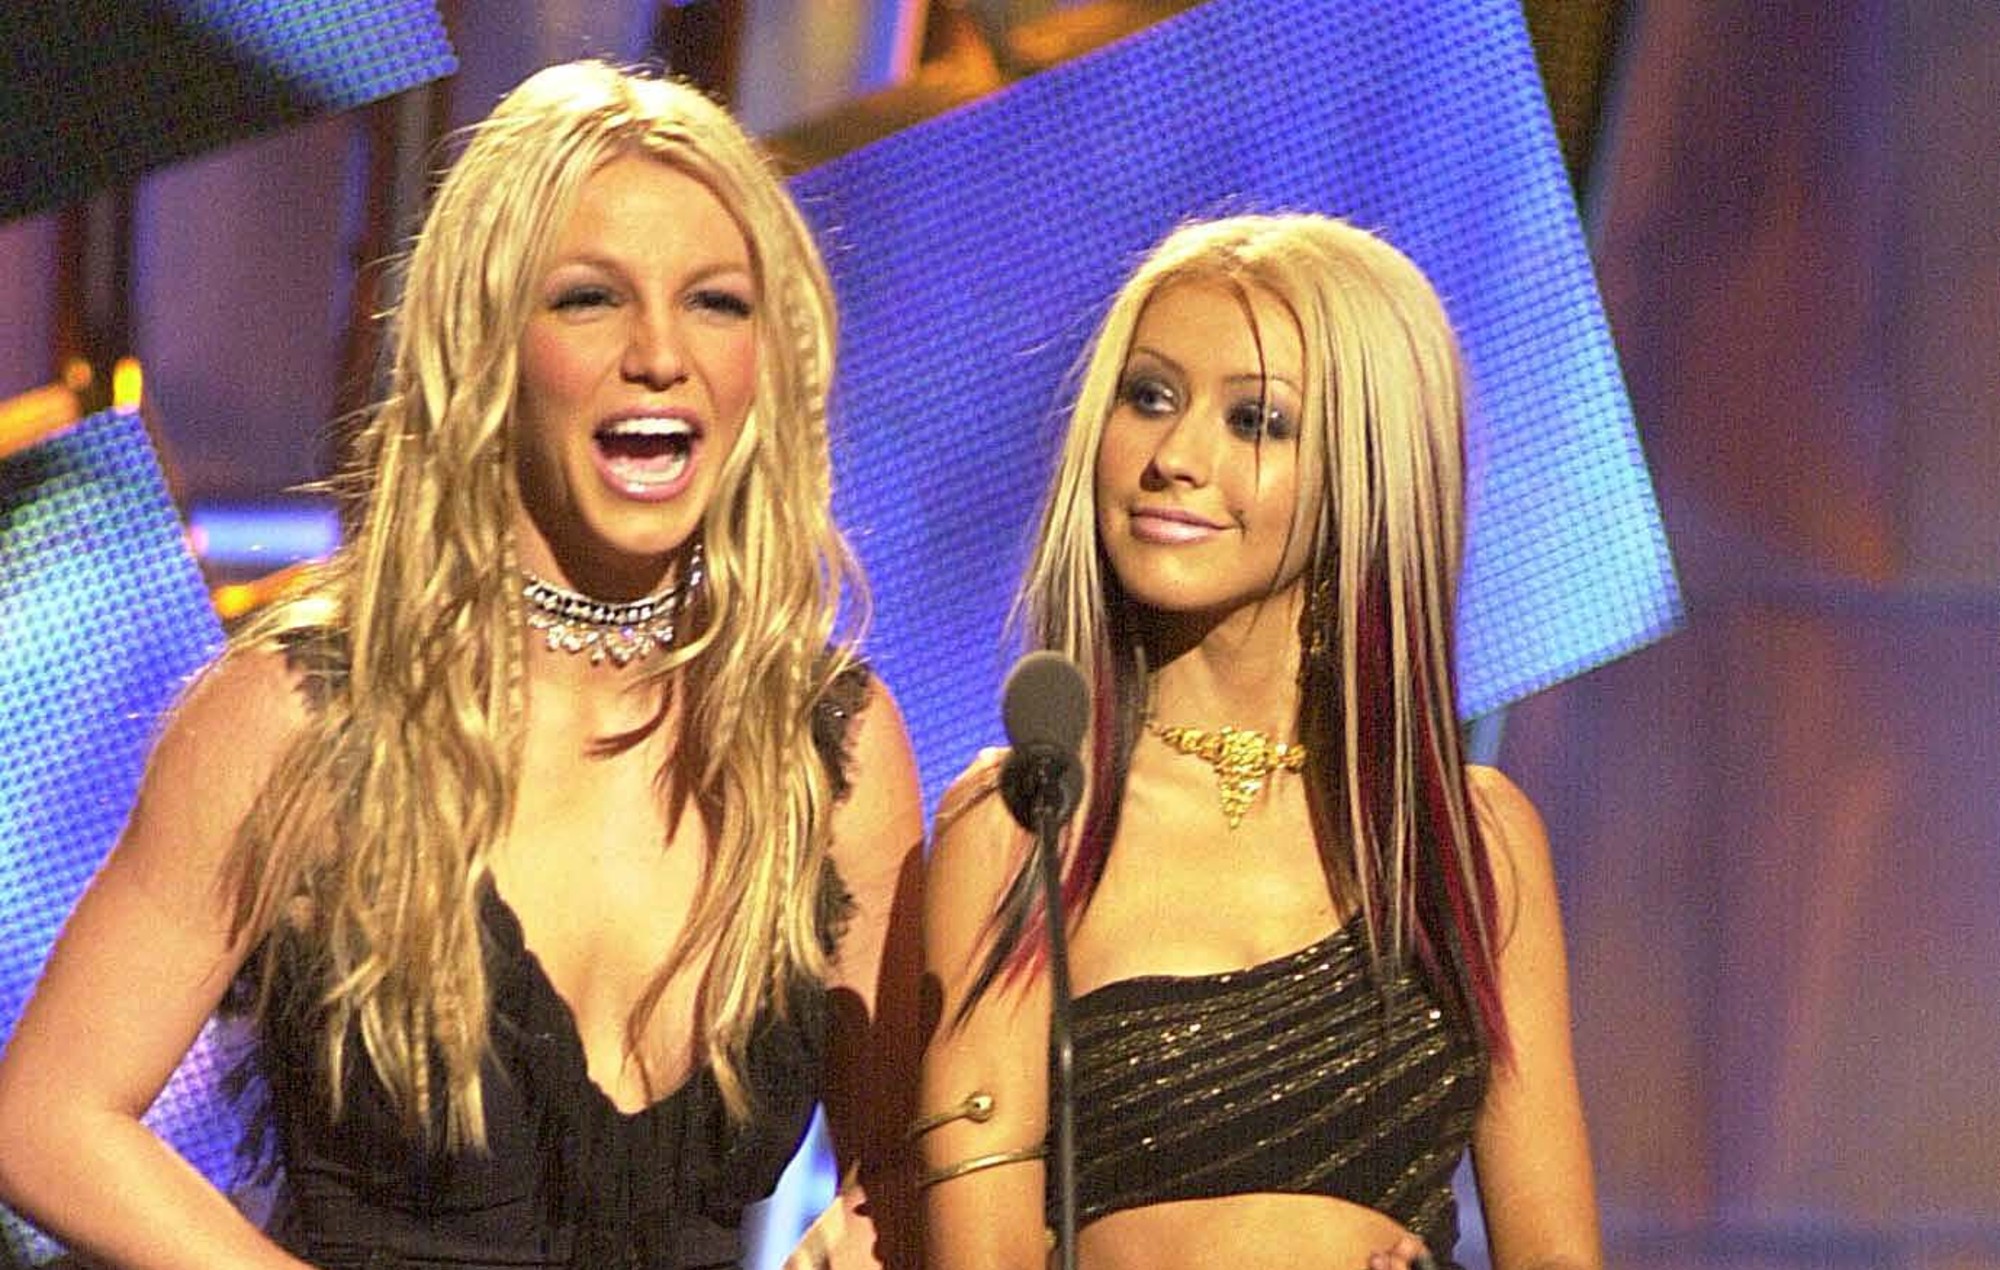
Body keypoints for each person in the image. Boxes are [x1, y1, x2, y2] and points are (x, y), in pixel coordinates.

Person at [0, 61, 924, 1270]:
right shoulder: (307, 720)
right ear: (485, 346)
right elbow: (51, 1117)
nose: (660, 352)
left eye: (714, 302)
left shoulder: (826, 748)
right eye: (589, 298)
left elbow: (910, 1161)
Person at [915, 214, 1602, 1270]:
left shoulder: (1472, 841)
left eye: (1256, 420)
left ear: (1368, 471)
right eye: (1149, 398)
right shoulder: (1021, 824)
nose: (1174, 458)